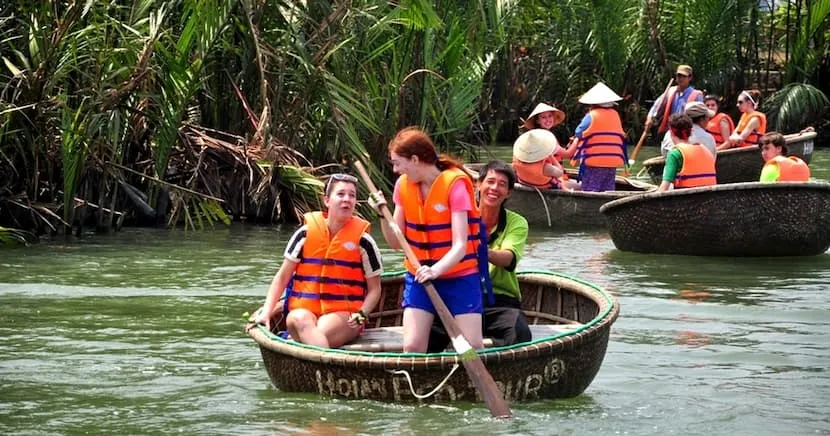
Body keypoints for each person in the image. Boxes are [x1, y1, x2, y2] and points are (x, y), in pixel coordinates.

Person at [368, 127, 486, 353]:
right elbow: (395, 242)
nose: (395, 170)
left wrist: (436, 270)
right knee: (412, 345)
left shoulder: (455, 185)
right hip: (419, 276)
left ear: (414, 159)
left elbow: (461, 245)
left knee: (472, 347)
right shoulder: (403, 186)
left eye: (397, 163)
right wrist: (381, 214)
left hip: (459, 276)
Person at [254, 173, 383, 348]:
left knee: (320, 331)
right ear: (327, 200)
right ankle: (326, 361)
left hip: (345, 314)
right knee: (300, 319)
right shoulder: (304, 234)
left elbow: (375, 289)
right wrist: (266, 313)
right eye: (341, 194)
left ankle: (318, 360)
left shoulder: (364, 241)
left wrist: (362, 313)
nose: (347, 199)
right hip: (303, 311)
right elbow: (282, 277)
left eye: (352, 195)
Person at [428, 160, 531, 352]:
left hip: (499, 301)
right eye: (490, 181)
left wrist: (478, 250)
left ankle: (501, 377)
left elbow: (509, 258)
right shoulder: (458, 215)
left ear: (508, 192)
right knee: (426, 335)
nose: (494, 188)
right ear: (478, 184)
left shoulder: (517, 223)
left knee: (519, 332)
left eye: (502, 184)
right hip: (459, 296)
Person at [569, 82, 627, 192]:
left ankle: (589, 208)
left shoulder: (591, 115)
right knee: (608, 188)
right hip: (612, 162)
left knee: (590, 189)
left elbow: (578, 132)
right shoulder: (616, 115)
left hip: (594, 163)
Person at [657, 114, 717, 192]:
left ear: (671, 132)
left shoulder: (675, 153)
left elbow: (664, 188)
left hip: (685, 200)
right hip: (710, 198)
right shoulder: (706, 151)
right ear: (691, 132)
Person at [512, 129, 580, 191]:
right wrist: (551, 156)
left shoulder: (516, 161)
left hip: (528, 184)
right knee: (580, 186)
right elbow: (560, 172)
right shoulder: (545, 168)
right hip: (545, 188)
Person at [645, 65, 704, 135]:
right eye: (679, 76)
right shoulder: (670, 91)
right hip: (670, 131)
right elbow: (657, 105)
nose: (681, 78)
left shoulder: (697, 95)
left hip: (688, 133)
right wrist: (649, 118)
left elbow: (701, 117)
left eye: (684, 76)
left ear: (690, 78)